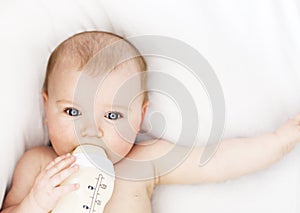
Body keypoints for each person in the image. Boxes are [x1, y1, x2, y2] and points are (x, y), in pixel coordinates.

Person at [1, 31, 300, 213]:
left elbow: (214, 162)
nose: (91, 130)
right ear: (46, 106)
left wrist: (278, 141)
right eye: (72, 112)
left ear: (140, 118)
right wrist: (35, 204)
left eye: (113, 115)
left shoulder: (143, 161)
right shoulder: (40, 164)